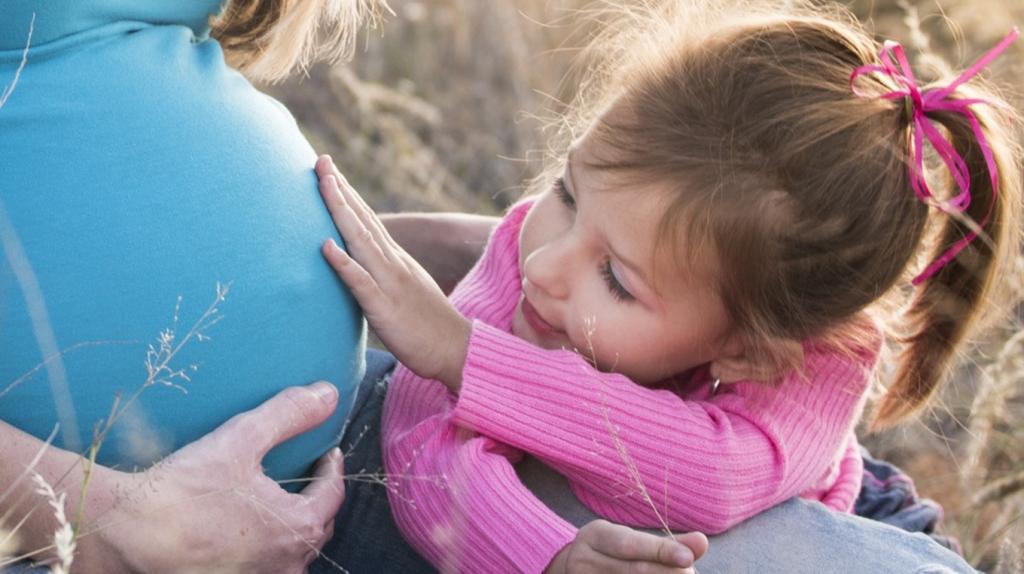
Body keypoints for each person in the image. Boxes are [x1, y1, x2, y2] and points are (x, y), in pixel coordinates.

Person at [312, 1, 1020, 571]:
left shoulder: (816, 362)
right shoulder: (540, 257)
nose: (544, 266)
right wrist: (541, 553)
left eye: (616, 279)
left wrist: (469, 359)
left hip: (836, 513)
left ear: (752, 353)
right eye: (566, 192)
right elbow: (417, 442)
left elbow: (709, 479)